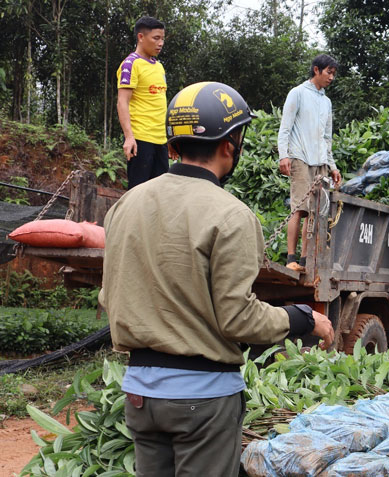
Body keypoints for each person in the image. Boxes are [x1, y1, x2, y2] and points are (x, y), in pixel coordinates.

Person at [100, 82, 335, 477]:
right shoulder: (231, 215)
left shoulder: (127, 203)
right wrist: (301, 318)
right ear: (231, 144)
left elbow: (112, 296)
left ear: (173, 145)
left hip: (140, 394)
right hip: (202, 402)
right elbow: (237, 319)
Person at [278, 54, 342, 273]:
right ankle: (291, 258)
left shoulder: (326, 102)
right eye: (328, 73)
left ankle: (305, 261)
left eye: (334, 74)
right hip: (300, 157)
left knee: (315, 213)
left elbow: (327, 138)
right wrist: (283, 155)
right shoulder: (297, 93)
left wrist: (332, 166)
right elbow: (285, 128)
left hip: (320, 161)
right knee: (299, 209)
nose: (331, 78)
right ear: (316, 70)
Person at [117, 16, 169, 189]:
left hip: (161, 141)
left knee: (160, 194)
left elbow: (160, 104)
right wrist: (129, 137)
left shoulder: (159, 66)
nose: (160, 43)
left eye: (162, 39)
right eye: (156, 38)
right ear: (141, 37)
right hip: (140, 141)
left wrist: (170, 139)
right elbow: (122, 102)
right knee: (138, 194)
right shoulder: (130, 64)